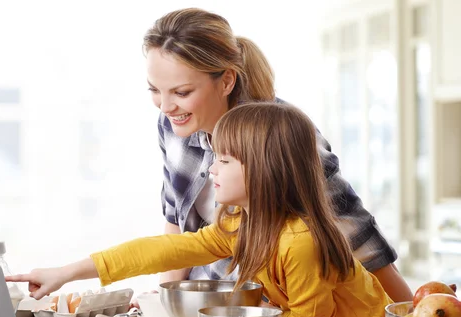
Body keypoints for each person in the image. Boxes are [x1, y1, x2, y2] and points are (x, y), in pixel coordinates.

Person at [6, 102, 393, 317]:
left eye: (223, 160)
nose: (211, 169)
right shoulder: (239, 224)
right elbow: (162, 251)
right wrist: (64, 273)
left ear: (264, 169)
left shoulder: (299, 242)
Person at [142, 7, 412, 301]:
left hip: (276, 314)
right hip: (205, 304)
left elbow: (358, 238)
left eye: (181, 93)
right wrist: (164, 297)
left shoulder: (280, 136)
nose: (165, 107)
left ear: (227, 81)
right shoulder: (173, 126)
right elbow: (177, 225)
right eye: (155, 90)